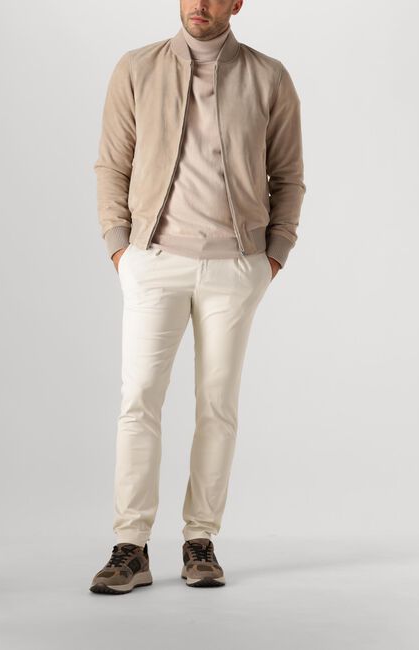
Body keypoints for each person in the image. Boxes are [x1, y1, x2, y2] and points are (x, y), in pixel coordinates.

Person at [90, 0, 306, 594]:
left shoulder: (269, 78)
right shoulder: (136, 68)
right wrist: (120, 248)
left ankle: (200, 540)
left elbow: (288, 175)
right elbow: (112, 164)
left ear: (238, 3)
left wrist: (273, 255)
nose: (200, 4)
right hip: (153, 261)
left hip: (235, 268)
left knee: (217, 405)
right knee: (139, 398)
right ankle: (131, 546)